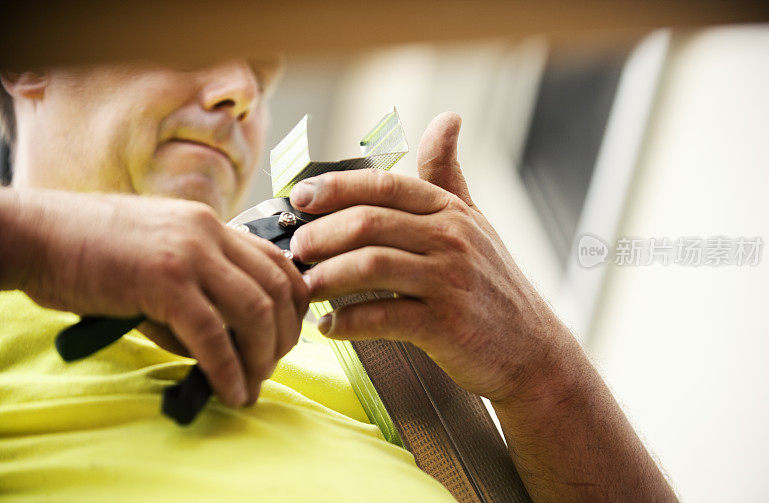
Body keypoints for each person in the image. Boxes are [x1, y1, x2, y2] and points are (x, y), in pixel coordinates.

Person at [0, 60, 677, 501]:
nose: (240, 95)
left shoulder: (356, 324)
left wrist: (540, 370)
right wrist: (48, 244)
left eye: (263, 81)